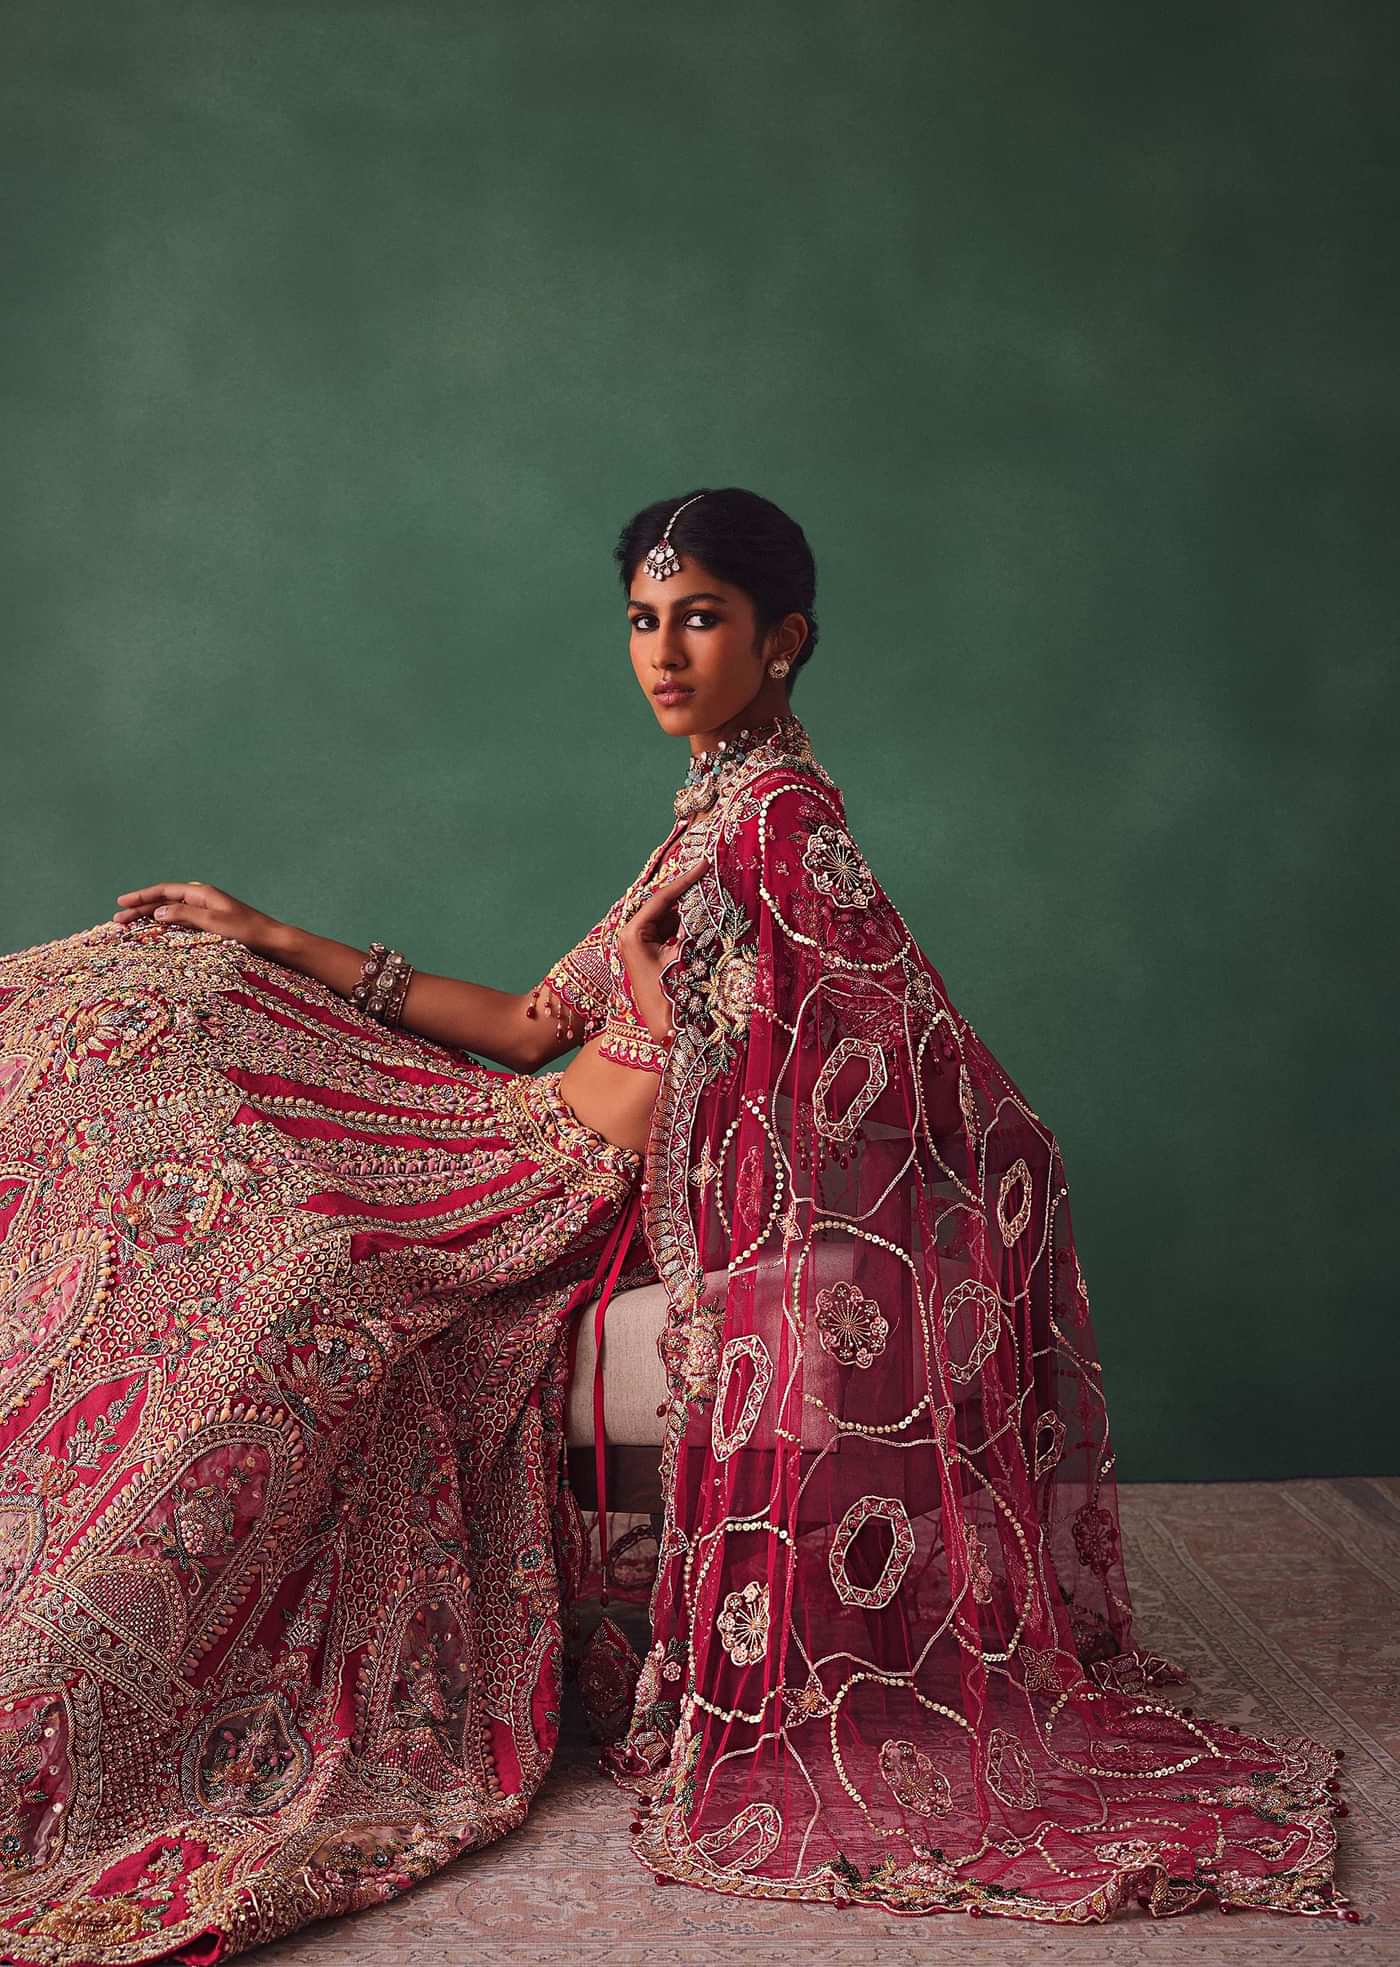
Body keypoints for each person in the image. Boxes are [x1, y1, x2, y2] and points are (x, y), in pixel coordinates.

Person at [0, 488, 1353, 1960]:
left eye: (700, 617)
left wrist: (660, 1030)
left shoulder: (782, 833)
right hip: (505, 1135)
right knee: (168, 1017)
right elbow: (527, 1025)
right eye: (644, 621)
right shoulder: (711, 813)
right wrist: (272, 934)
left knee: (277, 1257)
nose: (663, 651)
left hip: (553, 1203)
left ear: (787, 638)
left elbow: (808, 1091)